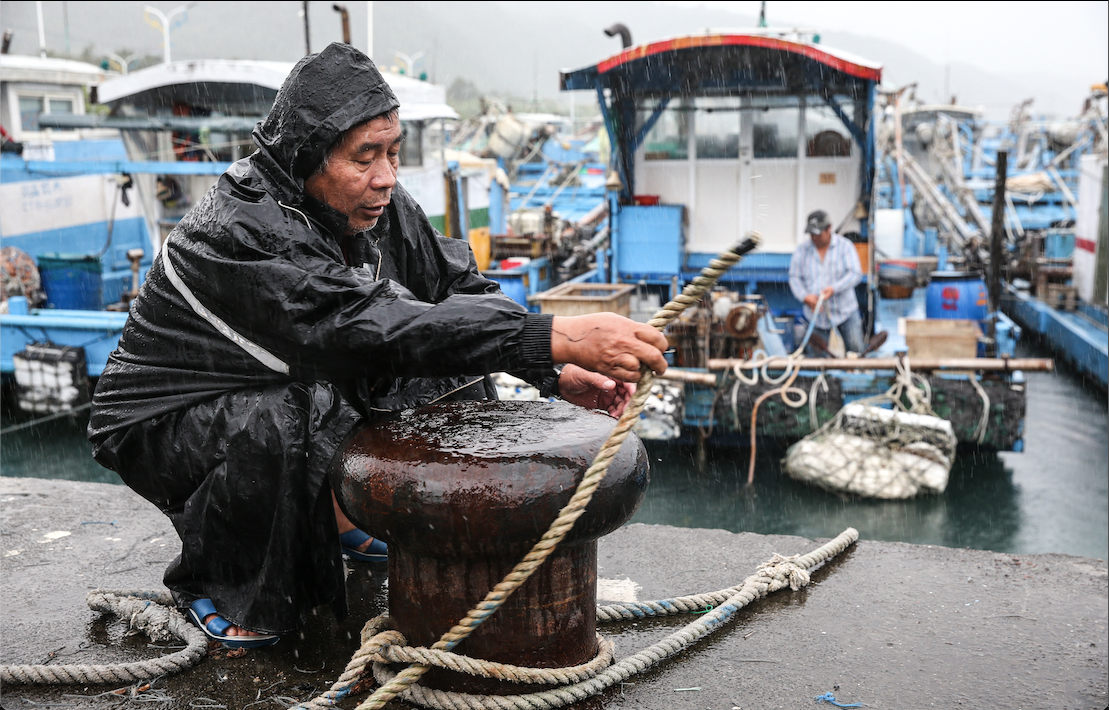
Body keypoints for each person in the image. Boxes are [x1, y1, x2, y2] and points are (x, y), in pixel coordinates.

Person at [87, 43, 668, 648]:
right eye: (365, 156)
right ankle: (229, 581)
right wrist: (559, 336)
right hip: (161, 420)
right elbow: (363, 325)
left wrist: (550, 371)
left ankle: (342, 518)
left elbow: (456, 289)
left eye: (393, 152)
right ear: (307, 157)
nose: (387, 175)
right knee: (277, 418)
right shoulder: (244, 230)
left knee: (450, 363)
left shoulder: (372, 201)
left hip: (291, 370)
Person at [788, 210, 865, 357]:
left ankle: (855, 377)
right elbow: (794, 277)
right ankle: (821, 380)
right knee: (815, 361)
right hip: (816, 316)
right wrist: (805, 297)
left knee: (856, 356)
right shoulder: (802, 251)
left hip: (846, 312)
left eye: (818, 234)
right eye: (812, 234)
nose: (814, 238)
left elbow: (855, 274)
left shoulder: (845, 247)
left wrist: (834, 289)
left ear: (829, 228)